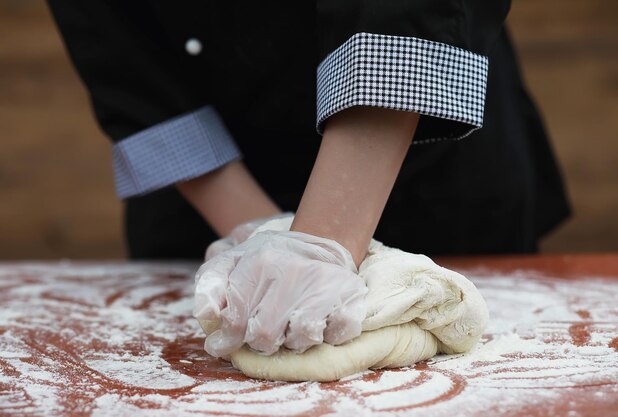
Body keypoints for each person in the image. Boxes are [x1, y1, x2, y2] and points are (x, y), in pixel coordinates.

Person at [48, 1, 569, 355]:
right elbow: (115, 44)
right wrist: (263, 234)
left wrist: (324, 240)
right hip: (207, 204)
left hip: (425, 157)